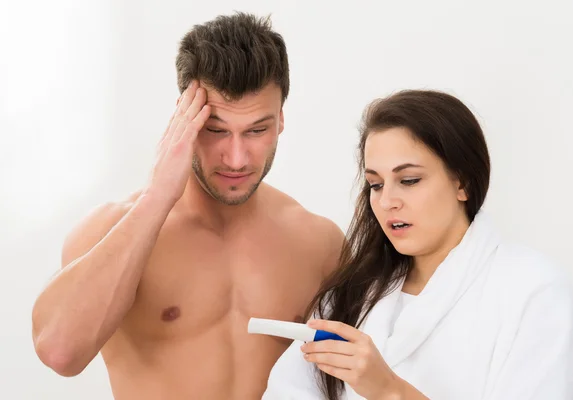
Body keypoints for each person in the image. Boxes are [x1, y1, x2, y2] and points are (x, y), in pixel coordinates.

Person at [31, 12, 344, 400]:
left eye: (256, 130)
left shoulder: (319, 242)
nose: (235, 158)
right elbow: (61, 353)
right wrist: (157, 197)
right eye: (215, 130)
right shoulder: (111, 230)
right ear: (184, 116)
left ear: (280, 119)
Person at [262, 90, 573, 400]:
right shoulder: (352, 294)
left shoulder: (535, 292)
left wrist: (390, 390)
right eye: (375, 184)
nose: (387, 201)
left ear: (463, 182)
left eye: (409, 180)